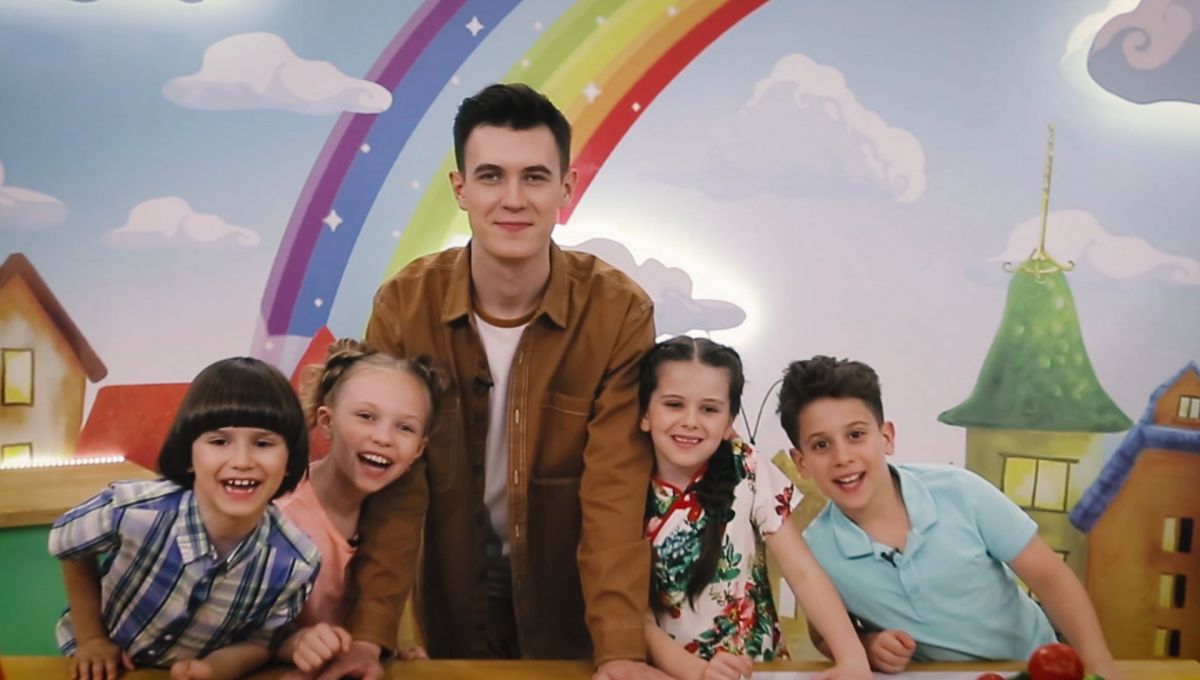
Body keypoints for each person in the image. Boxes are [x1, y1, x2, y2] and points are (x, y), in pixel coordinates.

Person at [322, 82, 666, 680]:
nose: (513, 199)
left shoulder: (618, 312)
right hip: (451, 595)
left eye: (534, 177)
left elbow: (615, 489)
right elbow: (392, 481)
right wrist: (370, 634)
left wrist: (618, 649)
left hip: (573, 601)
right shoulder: (405, 306)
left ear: (566, 188)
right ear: (460, 189)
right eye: (490, 176)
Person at [779, 355, 1121, 679]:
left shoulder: (960, 491)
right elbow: (823, 636)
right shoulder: (813, 550)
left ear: (886, 438)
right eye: (821, 445)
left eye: (856, 435)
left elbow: (1050, 578)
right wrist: (868, 645)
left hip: (1033, 666)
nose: (842, 457)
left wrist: (1099, 663)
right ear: (802, 463)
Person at [49, 357, 319, 680]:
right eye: (219, 442)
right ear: (189, 454)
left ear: (289, 461)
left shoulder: (296, 562)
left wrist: (213, 669)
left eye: (263, 444)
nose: (242, 461)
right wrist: (92, 639)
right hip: (102, 669)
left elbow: (261, 642)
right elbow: (69, 545)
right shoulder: (131, 508)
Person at [639, 337, 871, 680]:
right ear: (644, 413)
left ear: (729, 421)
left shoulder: (746, 467)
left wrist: (852, 658)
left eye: (709, 409)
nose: (690, 421)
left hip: (757, 670)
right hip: (666, 673)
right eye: (674, 404)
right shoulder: (623, 485)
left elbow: (802, 570)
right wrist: (697, 672)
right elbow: (633, 611)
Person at [274, 339, 444, 674]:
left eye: (405, 427)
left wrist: (388, 653)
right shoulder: (284, 518)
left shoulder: (397, 527)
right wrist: (295, 645)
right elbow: (249, 633)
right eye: (366, 417)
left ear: (418, 450)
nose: (384, 438)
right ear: (327, 422)